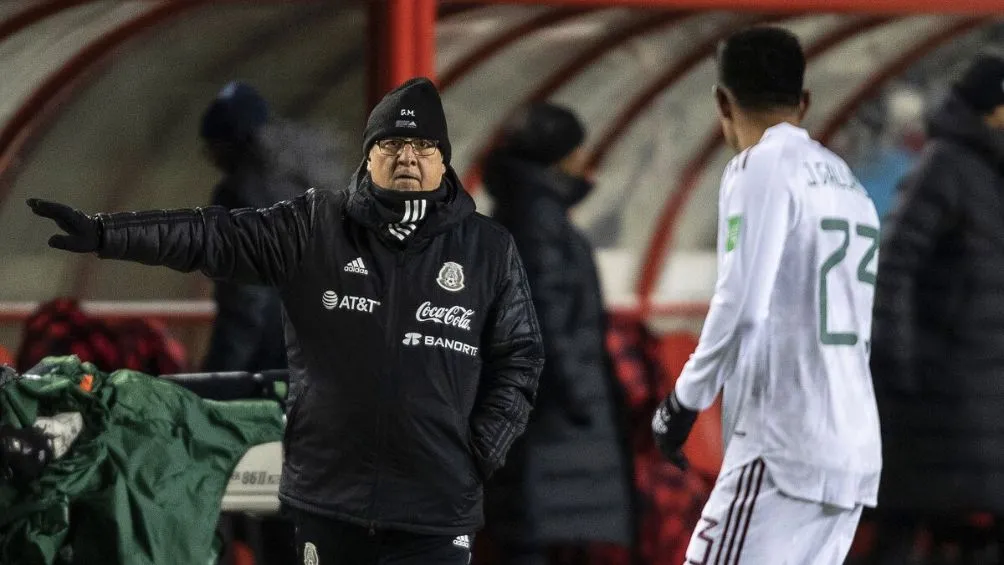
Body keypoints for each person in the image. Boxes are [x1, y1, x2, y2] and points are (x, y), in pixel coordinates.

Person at [27, 77, 544, 565]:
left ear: (444, 158)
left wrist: (479, 449)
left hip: (434, 507)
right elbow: (215, 238)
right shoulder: (314, 222)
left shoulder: (486, 248)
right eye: (391, 145)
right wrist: (105, 234)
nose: (408, 157)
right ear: (369, 155)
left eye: (424, 146)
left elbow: (519, 355)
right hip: (330, 496)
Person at [650, 27, 882, 563]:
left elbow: (741, 306)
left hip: (784, 447)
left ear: (722, 101)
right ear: (804, 102)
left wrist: (683, 402)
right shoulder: (849, 184)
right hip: (852, 449)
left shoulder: (759, 166)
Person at [482, 103, 635, 564]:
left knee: (540, 534)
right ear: (558, 157)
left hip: (548, 411)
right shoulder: (536, 216)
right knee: (531, 535)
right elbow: (542, 312)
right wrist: (576, 397)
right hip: (551, 415)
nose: (584, 162)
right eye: (576, 152)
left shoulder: (531, 209)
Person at [869, 53, 1004, 563]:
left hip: (980, 392)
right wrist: (902, 365)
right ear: (994, 109)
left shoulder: (990, 170)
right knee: (917, 526)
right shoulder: (946, 166)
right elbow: (894, 266)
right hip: (946, 391)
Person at [199, 81, 344, 374]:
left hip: (272, 366)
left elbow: (245, 301)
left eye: (210, 148)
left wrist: (217, 379)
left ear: (228, 143)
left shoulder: (241, 195)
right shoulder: (316, 178)